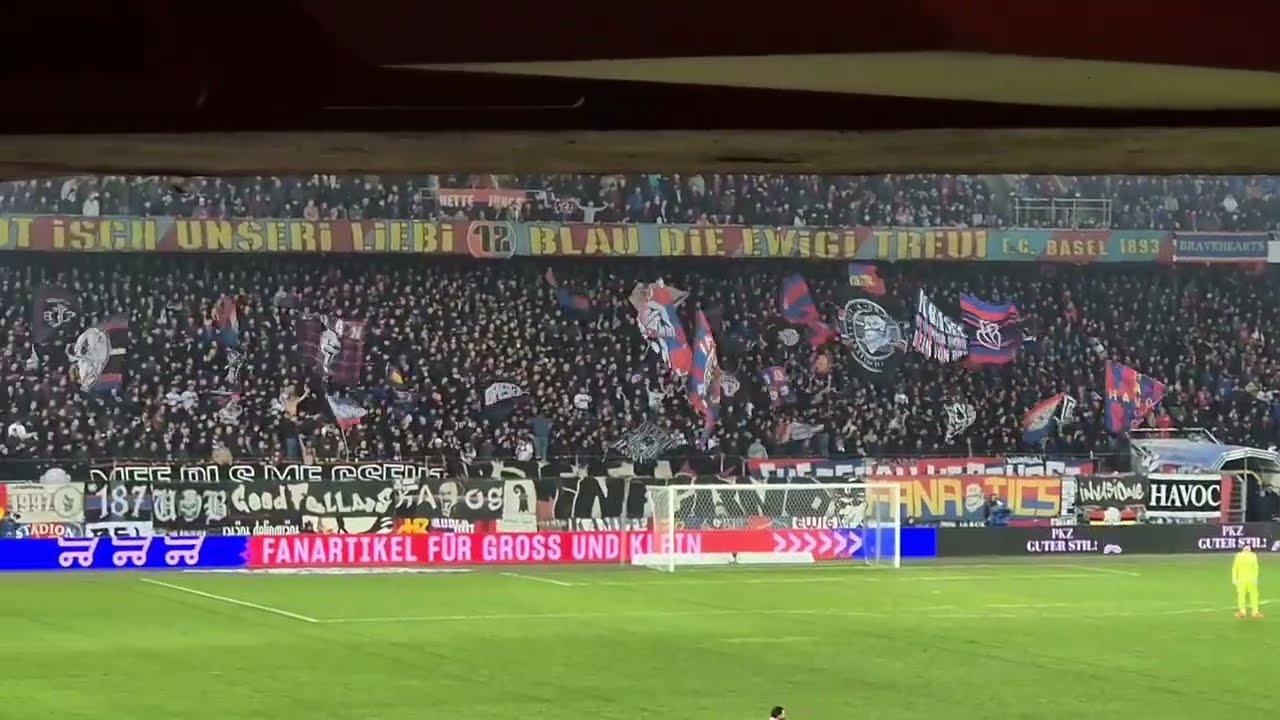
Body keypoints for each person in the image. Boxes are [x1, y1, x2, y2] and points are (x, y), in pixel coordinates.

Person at [1231, 545, 1263, 619]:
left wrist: (1234, 578)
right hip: (1249, 579)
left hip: (1243, 579)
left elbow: (1235, 567)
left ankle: (1244, 612)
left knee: (1244, 595)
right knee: (1252, 595)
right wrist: (1255, 577)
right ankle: (1253, 612)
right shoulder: (1252, 556)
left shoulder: (1239, 556)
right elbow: (1255, 568)